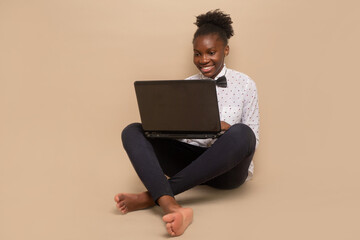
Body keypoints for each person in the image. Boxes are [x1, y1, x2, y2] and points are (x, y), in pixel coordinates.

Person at [114, 9, 259, 237]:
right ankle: (172, 207)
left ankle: (153, 195)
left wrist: (225, 129)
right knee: (132, 130)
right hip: (191, 163)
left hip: (228, 171)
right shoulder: (187, 84)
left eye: (211, 52)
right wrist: (168, 128)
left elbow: (253, 141)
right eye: (197, 53)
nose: (203, 60)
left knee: (244, 133)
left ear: (226, 50)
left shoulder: (246, 84)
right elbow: (180, 137)